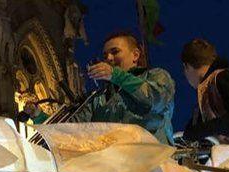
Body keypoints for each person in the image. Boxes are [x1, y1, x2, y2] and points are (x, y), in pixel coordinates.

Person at [24, 31, 175, 144]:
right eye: (105, 55)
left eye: (115, 52)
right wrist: (39, 116)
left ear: (135, 55)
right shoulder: (99, 98)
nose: (109, 58)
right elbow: (69, 130)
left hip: (154, 171)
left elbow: (156, 100)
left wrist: (116, 75)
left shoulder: (157, 76)